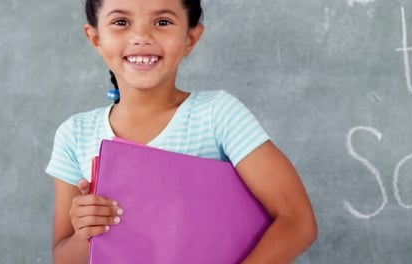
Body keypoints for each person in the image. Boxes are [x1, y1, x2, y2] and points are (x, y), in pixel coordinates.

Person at [46, 0, 317, 263]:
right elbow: (63, 258)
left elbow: (297, 220)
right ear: (95, 38)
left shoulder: (217, 115)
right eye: (120, 22)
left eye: (162, 21)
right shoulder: (75, 134)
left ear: (191, 38)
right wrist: (85, 234)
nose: (141, 36)